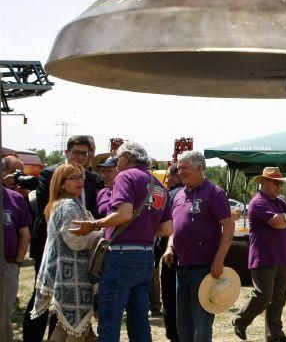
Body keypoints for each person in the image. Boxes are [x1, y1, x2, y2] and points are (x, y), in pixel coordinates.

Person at [69, 141, 173, 342]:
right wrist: (143, 230)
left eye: (117, 159)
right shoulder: (159, 185)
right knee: (139, 321)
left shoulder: (125, 176)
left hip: (121, 255)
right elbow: (168, 229)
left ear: (127, 158)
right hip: (146, 256)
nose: (116, 164)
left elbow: (123, 213)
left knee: (109, 321)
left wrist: (94, 225)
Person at [25, 135, 103, 342]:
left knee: (69, 326)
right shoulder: (67, 205)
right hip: (70, 274)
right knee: (73, 325)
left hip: (72, 271)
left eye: (81, 178)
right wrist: (100, 232)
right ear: (61, 183)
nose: (80, 181)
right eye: (74, 179)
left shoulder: (72, 201)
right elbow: (75, 240)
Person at [162, 151, 234, 342]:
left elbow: (228, 226)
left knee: (201, 325)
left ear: (200, 167)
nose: (180, 171)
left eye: (185, 167)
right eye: (179, 167)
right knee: (183, 324)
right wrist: (170, 247)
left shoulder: (214, 193)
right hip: (181, 268)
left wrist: (219, 260)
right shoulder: (177, 195)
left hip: (204, 270)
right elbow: (174, 228)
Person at [233, 167, 286, 342]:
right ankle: (240, 320)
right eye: (276, 183)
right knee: (264, 295)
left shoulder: (278, 201)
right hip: (264, 258)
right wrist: (284, 220)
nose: (280, 187)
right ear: (264, 182)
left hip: (281, 257)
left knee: (278, 299)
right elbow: (277, 222)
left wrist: (283, 219)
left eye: (280, 183)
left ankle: (274, 335)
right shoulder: (258, 202)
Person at [1, 156, 32, 341]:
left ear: (3, 173)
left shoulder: (15, 199)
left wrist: (17, 262)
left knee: (3, 315)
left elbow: (25, 233)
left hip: (7, 265)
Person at [157, 164, 183, 342]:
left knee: (170, 295)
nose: (167, 180)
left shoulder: (170, 194)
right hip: (182, 251)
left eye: (170, 176)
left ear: (178, 176)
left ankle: (174, 334)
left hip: (169, 251)